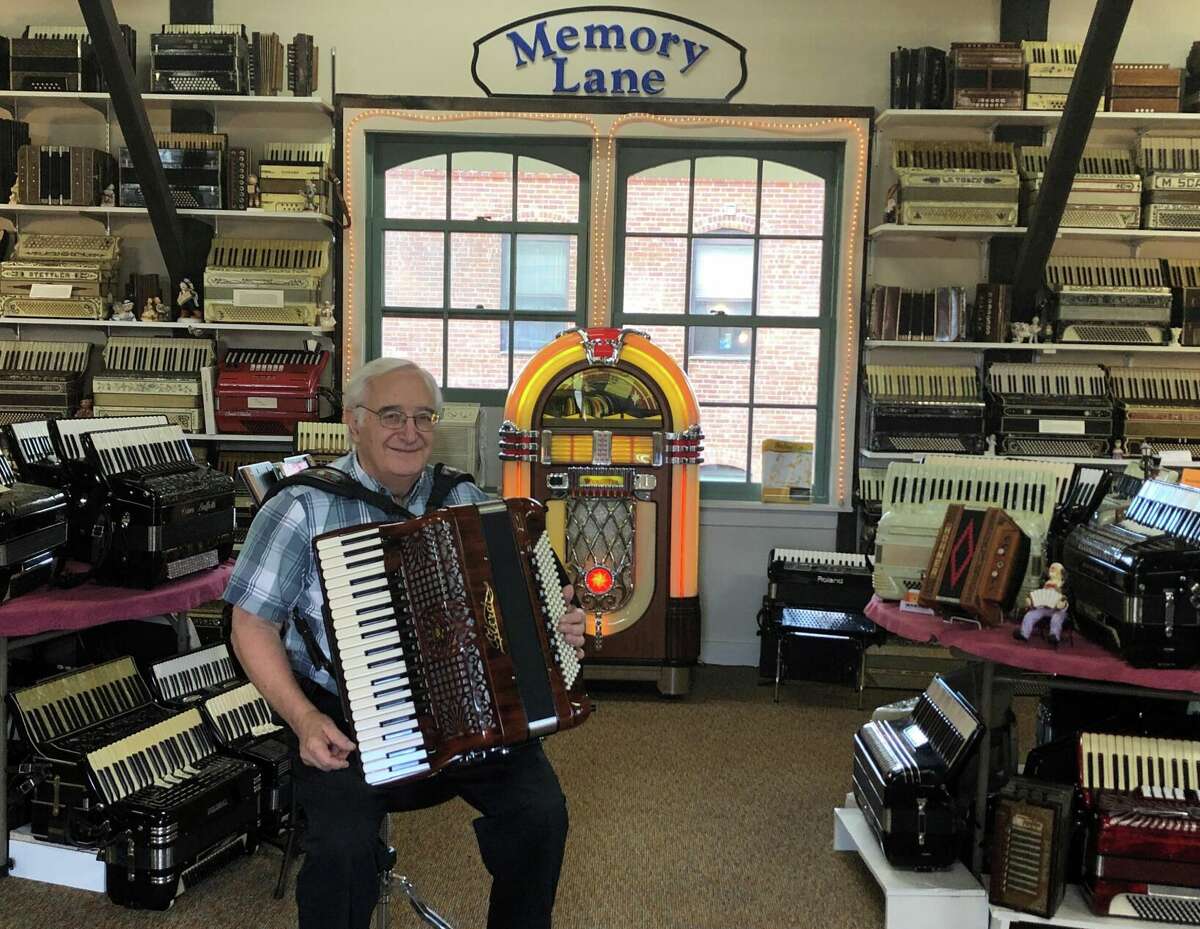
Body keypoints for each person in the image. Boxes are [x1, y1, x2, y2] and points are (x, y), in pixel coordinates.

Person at [226, 357, 584, 929]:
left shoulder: (463, 499)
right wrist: (303, 721)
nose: (409, 431)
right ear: (353, 422)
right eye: (391, 415)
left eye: (423, 417)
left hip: (466, 713)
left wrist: (555, 630)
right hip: (343, 722)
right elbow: (252, 626)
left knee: (540, 815)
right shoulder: (301, 507)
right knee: (341, 852)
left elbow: (528, 611)